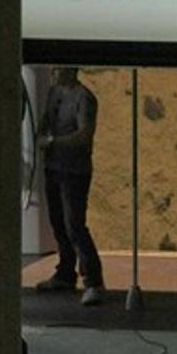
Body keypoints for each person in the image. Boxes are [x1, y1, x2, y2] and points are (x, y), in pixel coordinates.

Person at [35, 67, 104, 306]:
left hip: (74, 171)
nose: (53, 71)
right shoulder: (54, 92)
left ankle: (93, 281)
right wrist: (41, 132)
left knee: (74, 224)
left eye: (58, 68)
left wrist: (53, 141)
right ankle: (65, 273)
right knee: (58, 222)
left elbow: (85, 134)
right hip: (53, 167)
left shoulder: (84, 98)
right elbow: (45, 119)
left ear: (71, 69)